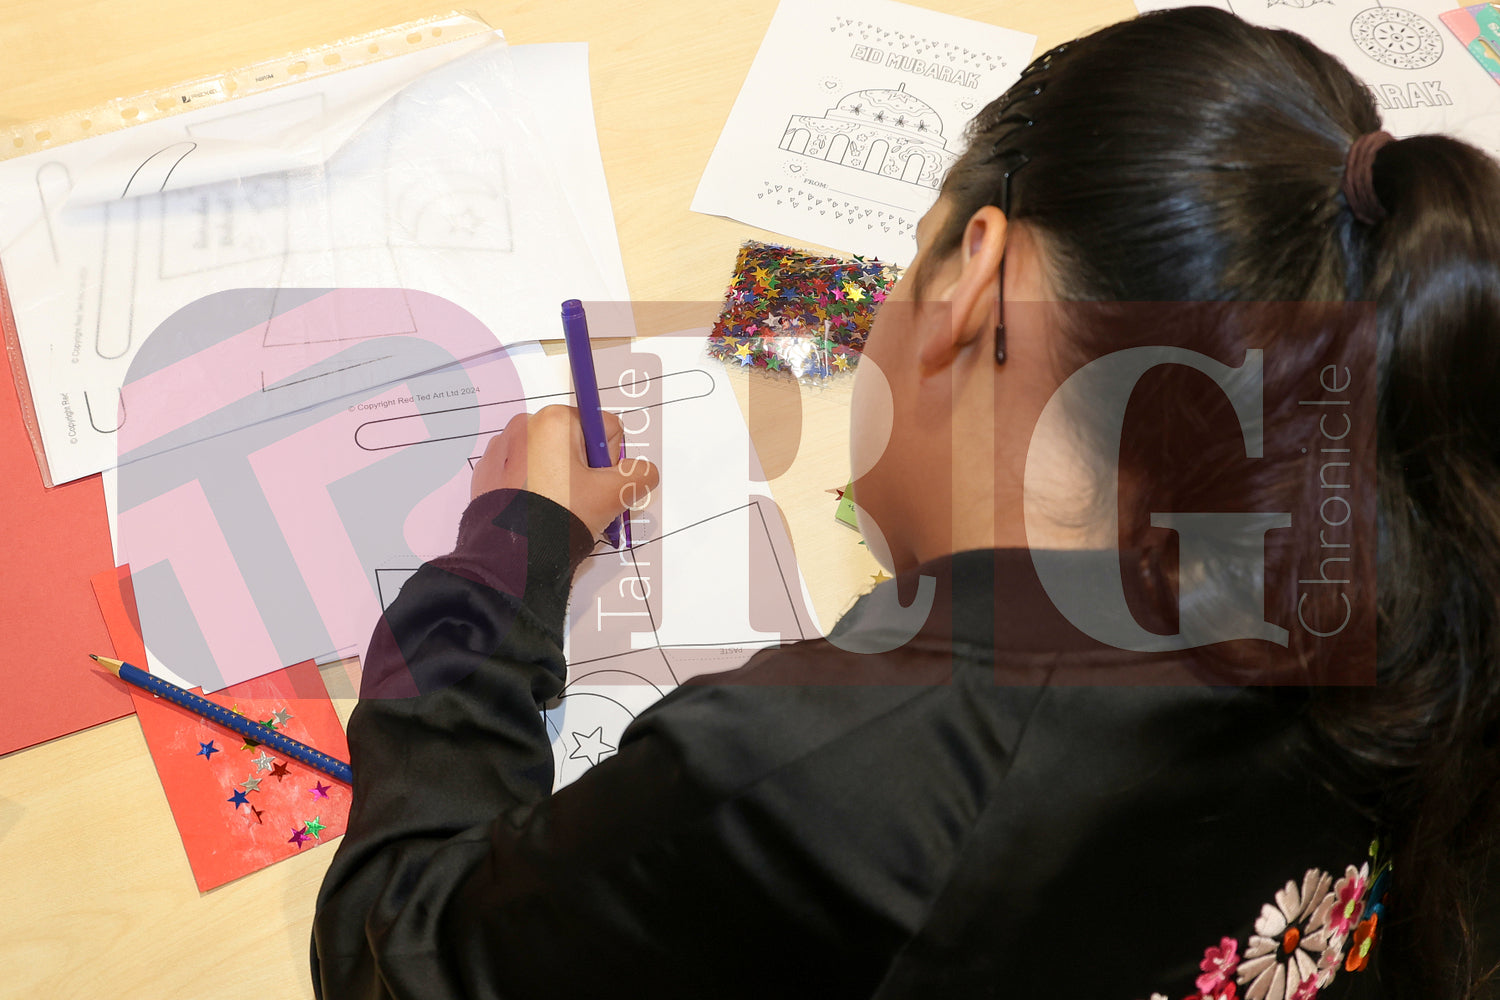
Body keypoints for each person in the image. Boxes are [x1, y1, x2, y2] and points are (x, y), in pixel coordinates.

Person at [311, 7, 1500, 999]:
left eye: (912, 248)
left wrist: (501, 562)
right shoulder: (1422, 563)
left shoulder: (825, 766)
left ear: (974, 275)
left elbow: (394, 949)